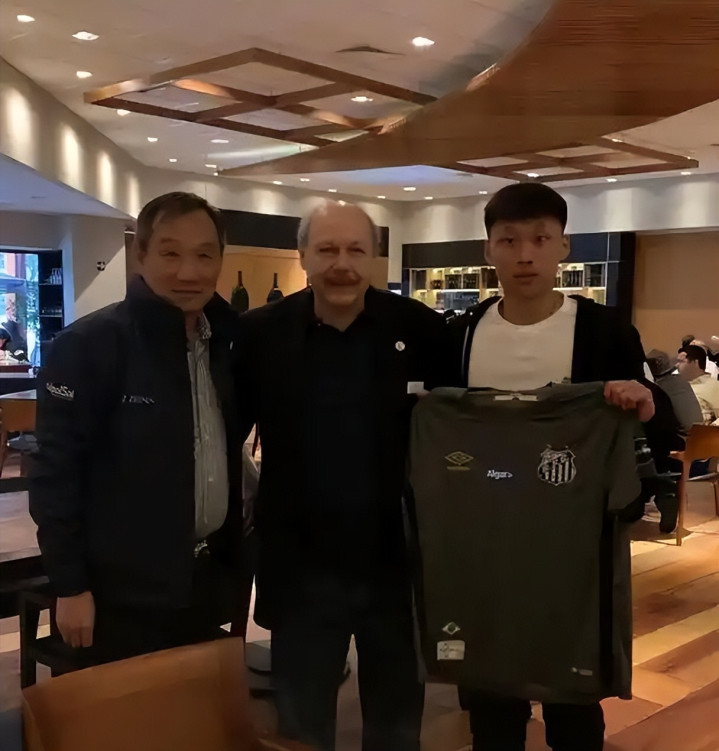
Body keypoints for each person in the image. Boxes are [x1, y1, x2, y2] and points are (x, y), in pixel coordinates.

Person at [235, 199, 452, 751]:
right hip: (299, 565)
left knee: (396, 726)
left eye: (356, 250)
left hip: (397, 562)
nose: (342, 264)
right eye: (327, 249)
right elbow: (225, 432)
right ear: (303, 255)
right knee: (301, 726)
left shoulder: (423, 331)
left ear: (374, 257)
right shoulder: (259, 335)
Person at [448, 183, 655, 751]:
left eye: (540, 240)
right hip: (483, 542)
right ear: (487, 249)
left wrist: (642, 403)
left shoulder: (606, 331)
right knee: (491, 700)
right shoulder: (460, 336)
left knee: (574, 704)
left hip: (574, 546)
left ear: (564, 246)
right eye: (508, 240)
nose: (524, 255)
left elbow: (647, 421)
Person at [30, 192, 246, 665]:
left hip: (203, 583)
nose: (188, 272)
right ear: (140, 255)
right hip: (119, 596)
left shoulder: (227, 343)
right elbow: (55, 476)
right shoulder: (89, 345)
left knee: (193, 709)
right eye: (170, 253)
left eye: (204, 255)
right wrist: (70, 586)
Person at [677, 345, 719, 424]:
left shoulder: (713, 386)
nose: (677, 365)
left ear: (695, 363)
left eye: (681, 361)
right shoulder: (678, 386)